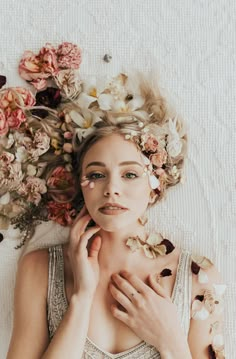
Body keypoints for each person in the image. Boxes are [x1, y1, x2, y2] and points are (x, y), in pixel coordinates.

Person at [6, 73, 225, 358]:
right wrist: (81, 299)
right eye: (97, 174)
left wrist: (170, 340)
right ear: (80, 183)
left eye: (130, 174)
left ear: (155, 186)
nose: (112, 189)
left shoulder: (198, 277)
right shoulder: (39, 269)